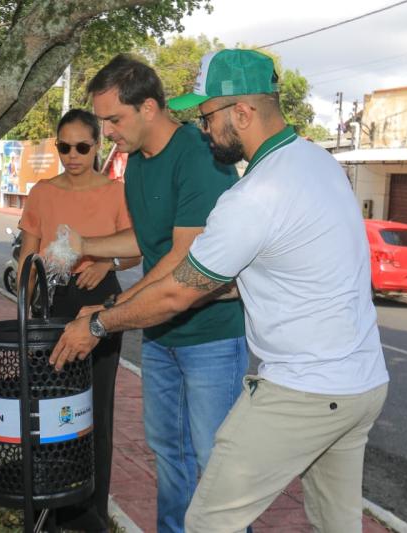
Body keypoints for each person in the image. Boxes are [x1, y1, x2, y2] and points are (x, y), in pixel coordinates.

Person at [50, 49, 390, 533]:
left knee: (209, 521)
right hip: (362, 383)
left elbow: (177, 293)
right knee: (337, 524)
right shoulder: (319, 163)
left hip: (306, 390)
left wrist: (101, 321)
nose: (203, 128)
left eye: (208, 116)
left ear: (243, 113)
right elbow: (247, 276)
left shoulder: (254, 195)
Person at [62, 54, 248, 533]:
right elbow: (149, 242)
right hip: (161, 336)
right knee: (170, 455)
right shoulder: (138, 164)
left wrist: (109, 310)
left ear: (149, 107)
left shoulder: (198, 154)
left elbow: (182, 260)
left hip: (210, 337)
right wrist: (85, 246)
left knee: (216, 464)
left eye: (114, 119)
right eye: (103, 121)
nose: (108, 131)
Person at [17, 108, 141, 532]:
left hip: (100, 303)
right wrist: (24, 305)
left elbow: (138, 246)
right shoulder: (42, 192)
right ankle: (51, 508)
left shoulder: (116, 192)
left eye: (82, 147)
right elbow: (28, 257)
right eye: (64, 147)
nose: (73, 155)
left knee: (96, 408)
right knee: (48, 409)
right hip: (52, 305)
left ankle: (92, 513)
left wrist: (107, 263)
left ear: (96, 146)